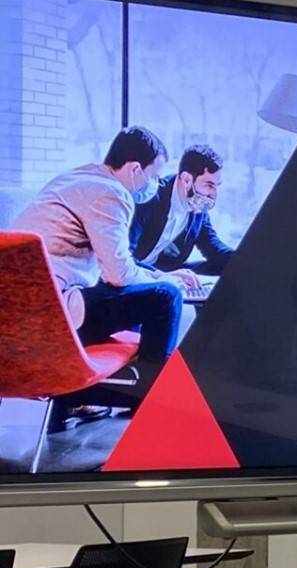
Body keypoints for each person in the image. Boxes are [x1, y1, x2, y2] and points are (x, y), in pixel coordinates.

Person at [13, 126, 184, 427]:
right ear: (134, 169)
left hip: (20, 326)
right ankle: (148, 398)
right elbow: (119, 273)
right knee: (165, 296)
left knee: (125, 293)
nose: (156, 184)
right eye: (154, 175)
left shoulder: (73, 179)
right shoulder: (111, 193)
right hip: (56, 321)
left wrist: (152, 273)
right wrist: (171, 280)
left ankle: (78, 396)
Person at [129, 144, 233, 280]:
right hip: (137, 271)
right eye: (209, 185)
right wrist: (162, 276)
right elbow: (123, 255)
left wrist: (244, 259)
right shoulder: (149, 198)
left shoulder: (197, 206)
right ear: (186, 179)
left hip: (167, 269)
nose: (213, 194)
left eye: (216, 186)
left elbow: (212, 246)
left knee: (229, 266)